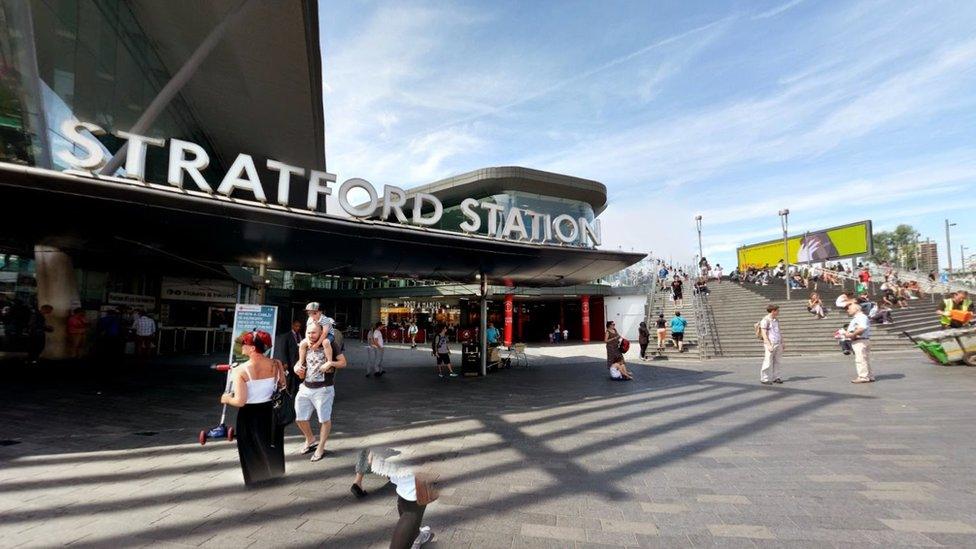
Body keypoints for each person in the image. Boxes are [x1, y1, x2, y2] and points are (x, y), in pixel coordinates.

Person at [220, 334, 287, 486]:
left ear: (252, 348)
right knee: (272, 445)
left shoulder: (241, 370)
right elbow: (283, 386)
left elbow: (240, 401)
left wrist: (226, 398)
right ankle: (276, 476)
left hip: (249, 414)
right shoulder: (276, 364)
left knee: (251, 449)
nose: (242, 346)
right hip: (271, 412)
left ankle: (257, 482)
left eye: (244, 343)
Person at [294, 321, 347, 461]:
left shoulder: (330, 344)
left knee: (324, 420)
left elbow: (343, 362)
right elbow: (299, 363)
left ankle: (320, 447)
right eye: (308, 332)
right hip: (305, 387)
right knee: (300, 418)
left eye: (314, 333)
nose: (311, 335)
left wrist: (331, 363)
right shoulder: (305, 345)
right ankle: (310, 439)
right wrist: (296, 368)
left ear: (321, 333)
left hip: (323, 389)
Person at [846, 302, 874, 383]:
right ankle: (869, 376)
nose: (848, 310)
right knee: (865, 359)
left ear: (856, 309)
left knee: (860, 359)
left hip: (860, 341)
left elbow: (862, 328)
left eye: (849, 308)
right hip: (862, 340)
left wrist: (852, 335)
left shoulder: (861, 317)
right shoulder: (859, 317)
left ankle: (863, 377)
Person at [275, 320, 304, 395]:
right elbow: (283, 350)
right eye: (296, 326)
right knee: (290, 378)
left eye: (299, 326)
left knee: (298, 378)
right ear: (292, 326)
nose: (298, 328)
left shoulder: (301, 335)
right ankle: (288, 393)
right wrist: (285, 362)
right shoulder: (287, 336)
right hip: (290, 361)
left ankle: (296, 392)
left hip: (298, 360)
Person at [759, 305, 783, 385]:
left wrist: (782, 342)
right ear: (773, 311)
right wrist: (768, 345)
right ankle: (764, 378)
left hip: (778, 342)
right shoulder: (765, 320)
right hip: (770, 343)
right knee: (768, 361)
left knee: (778, 361)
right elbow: (764, 333)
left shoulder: (776, 320)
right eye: (777, 310)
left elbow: (779, 332)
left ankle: (776, 377)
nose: (778, 312)